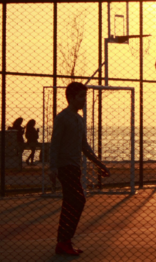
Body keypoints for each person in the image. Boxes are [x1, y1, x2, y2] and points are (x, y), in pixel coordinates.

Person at [49, 82, 110, 256]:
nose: (84, 100)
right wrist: (52, 167)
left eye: (85, 96)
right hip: (64, 166)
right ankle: (63, 241)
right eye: (81, 96)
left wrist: (100, 164)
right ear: (72, 98)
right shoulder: (62, 118)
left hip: (75, 167)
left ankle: (63, 242)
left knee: (71, 203)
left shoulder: (80, 119)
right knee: (77, 200)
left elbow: (84, 146)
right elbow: (55, 144)